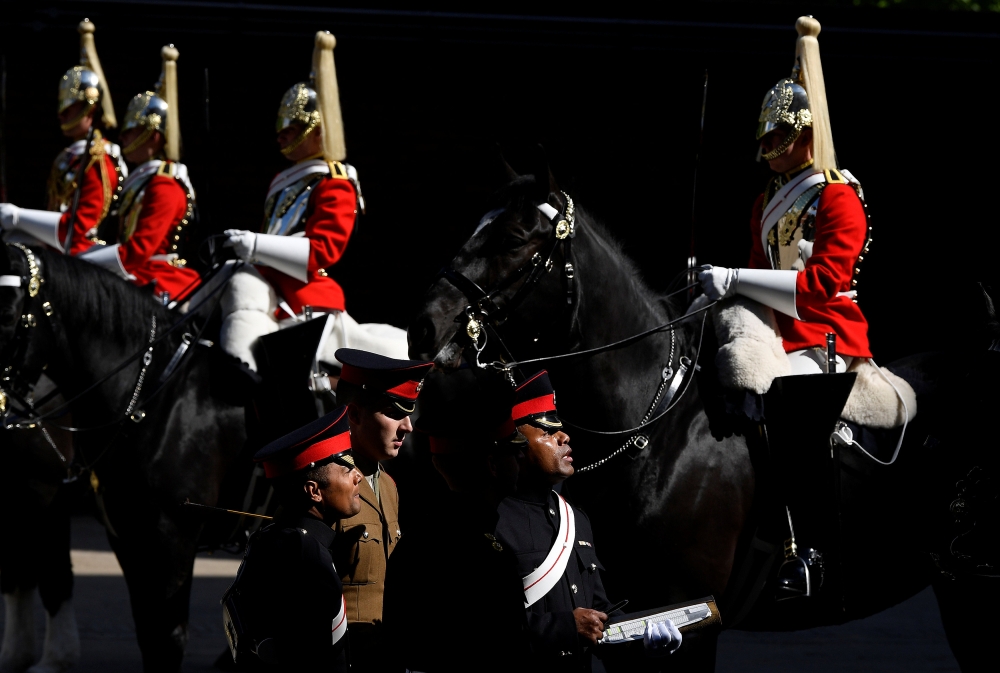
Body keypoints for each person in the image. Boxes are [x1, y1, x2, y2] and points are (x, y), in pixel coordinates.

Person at [220, 30, 407, 376]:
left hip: (304, 291)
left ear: (319, 130)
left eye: (292, 128)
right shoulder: (283, 179)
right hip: (268, 282)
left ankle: (242, 373)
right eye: (281, 127)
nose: (281, 134)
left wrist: (254, 244)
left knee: (242, 283)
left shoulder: (334, 180)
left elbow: (322, 250)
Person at [697, 16, 871, 376]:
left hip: (824, 332)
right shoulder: (766, 200)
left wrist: (733, 279)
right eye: (765, 134)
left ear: (806, 135)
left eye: (777, 135)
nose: (766, 143)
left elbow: (821, 285)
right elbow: (761, 270)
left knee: (784, 394)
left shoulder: (837, 197)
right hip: (771, 328)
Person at [494, 371, 680, 672]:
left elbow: (598, 612)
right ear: (515, 446)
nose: (563, 437)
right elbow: (477, 632)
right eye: (546, 431)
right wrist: (565, 628)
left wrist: (641, 641)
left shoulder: (575, 518)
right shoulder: (490, 521)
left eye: (560, 429)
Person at [383, 386, 532, 672]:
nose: (522, 458)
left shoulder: (419, 541)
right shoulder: (480, 551)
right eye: (514, 452)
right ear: (492, 465)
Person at [223, 406, 362, 669]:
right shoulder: (310, 558)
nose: (359, 476)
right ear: (314, 491)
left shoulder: (270, 539)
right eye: (347, 471)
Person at [329, 347, 432, 673]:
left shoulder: (386, 483)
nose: (408, 426)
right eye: (395, 413)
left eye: (410, 413)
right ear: (354, 415)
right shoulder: (324, 487)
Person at [76, 44, 201, 304]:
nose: (123, 136)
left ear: (153, 137)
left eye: (131, 131)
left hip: (158, 280)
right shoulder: (144, 181)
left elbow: (140, 251)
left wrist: (80, 262)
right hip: (137, 273)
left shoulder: (164, 186)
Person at [0, 18, 126, 256]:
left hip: (88, 258)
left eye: (68, 109)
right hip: (60, 251)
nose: (61, 115)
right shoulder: (68, 157)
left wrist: (17, 217)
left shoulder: (99, 160)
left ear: (88, 109)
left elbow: (81, 228)